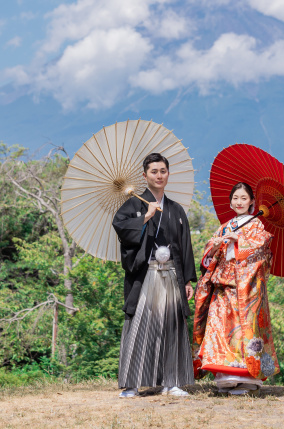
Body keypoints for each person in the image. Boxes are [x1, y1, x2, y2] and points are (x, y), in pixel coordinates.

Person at [112, 152, 197, 398]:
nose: (159, 176)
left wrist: (188, 279)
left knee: (172, 324)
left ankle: (172, 381)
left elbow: (185, 245)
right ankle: (131, 384)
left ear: (168, 174)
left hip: (171, 273)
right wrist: (146, 217)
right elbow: (121, 228)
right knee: (140, 324)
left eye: (163, 171)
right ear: (144, 175)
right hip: (146, 272)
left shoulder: (176, 210)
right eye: (154, 171)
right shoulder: (133, 205)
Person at [192, 182, 279, 395]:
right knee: (220, 331)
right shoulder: (224, 226)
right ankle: (224, 378)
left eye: (244, 198)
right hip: (222, 288)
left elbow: (263, 253)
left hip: (245, 291)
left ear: (251, 202)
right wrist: (214, 247)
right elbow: (208, 258)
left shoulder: (257, 226)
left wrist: (240, 241)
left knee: (243, 332)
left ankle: (246, 379)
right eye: (235, 198)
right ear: (230, 202)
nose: (239, 202)